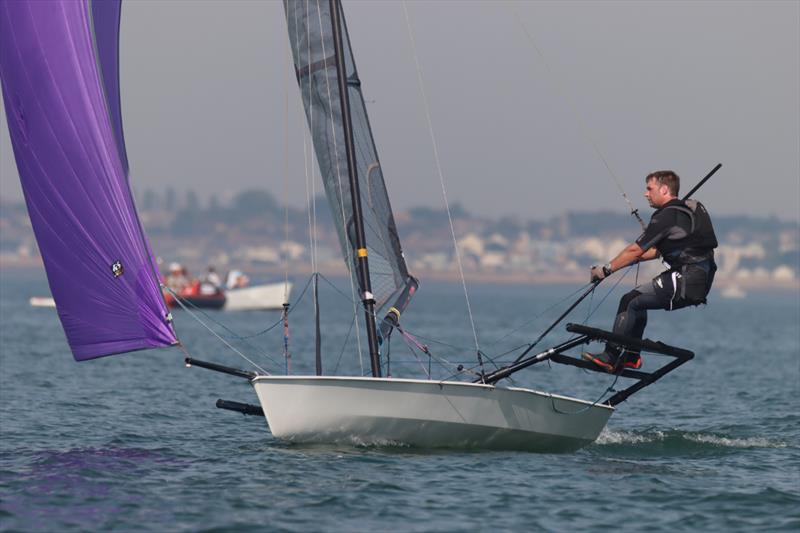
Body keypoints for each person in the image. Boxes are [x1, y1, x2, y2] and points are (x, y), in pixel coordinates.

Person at [582, 170, 718, 372]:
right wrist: (628, 261)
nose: (646, 194)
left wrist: (606, 270)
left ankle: (610, 355)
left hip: (685, 279)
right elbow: (652, 252)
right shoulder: (686, 211)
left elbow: (636, 249)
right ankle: (631, 356)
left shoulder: (667, 215)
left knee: (629, 301)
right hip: (700, 279)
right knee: (638, 300)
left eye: (649, 188)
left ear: (664, 189)